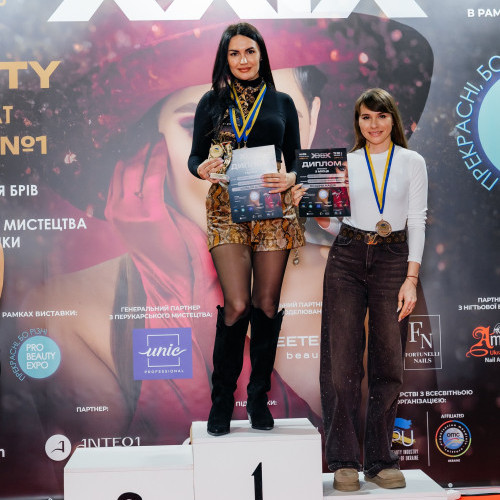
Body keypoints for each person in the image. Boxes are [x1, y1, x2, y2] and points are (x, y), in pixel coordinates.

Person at [294, 88, 428, 491]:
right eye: (366, 117)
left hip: (394, 259)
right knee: (341, 365)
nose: (374, 124)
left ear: (393, 119)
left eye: (381, 116)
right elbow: (335, 224)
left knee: (389, 363)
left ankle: (381, 460)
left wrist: (411, 278)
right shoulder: (344, 163)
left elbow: (417, 220)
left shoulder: (412, 161)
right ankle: (344, 462)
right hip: (348, 256)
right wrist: (317, 213)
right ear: (358, 122)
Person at [188, 22, 305, 436]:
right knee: (237, 305)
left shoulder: (282, 101)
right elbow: (195, 157)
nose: (243, 60)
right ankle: (221, 401)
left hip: (273, 208)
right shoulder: (211, 101)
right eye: (234, 53)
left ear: (261, 55)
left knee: (267, 305)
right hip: (226, 208)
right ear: (226, 59)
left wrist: (291, 178)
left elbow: (296, 158)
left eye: (250, 52)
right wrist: (201, 169)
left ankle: (258, 398)